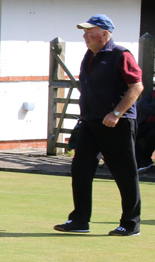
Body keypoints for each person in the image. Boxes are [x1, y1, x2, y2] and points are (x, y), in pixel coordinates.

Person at [55, 14, 143, 236]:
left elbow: (137, 86)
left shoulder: (120, 54)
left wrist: (116, 113)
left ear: (104, 33)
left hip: (117, 123)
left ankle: (130, 224)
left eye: (89, 31)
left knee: (124, 173)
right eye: (84, 31)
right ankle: (80, 220)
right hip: (90, 122)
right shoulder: (89, 55)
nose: (84, 35)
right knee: (81, 169)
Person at [135, 88, 155, 172]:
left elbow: (147, 106)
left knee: (152, 135)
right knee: (131, 134)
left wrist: (151, 104)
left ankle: (145, 159)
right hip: (146, 123)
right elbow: (142, 106)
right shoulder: (153, 93)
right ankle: (142, 160)